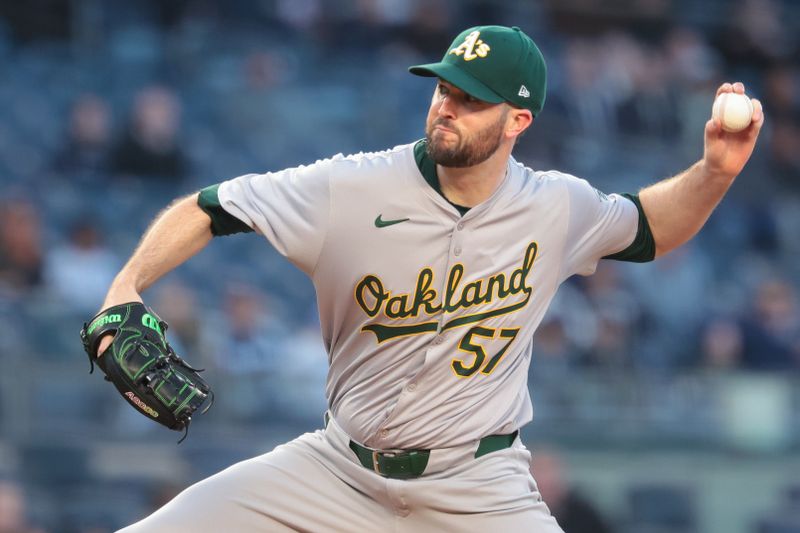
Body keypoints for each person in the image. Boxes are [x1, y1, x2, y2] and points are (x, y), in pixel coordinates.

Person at [93, 25, 763, 532]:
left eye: (471, 99)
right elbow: (209, 209)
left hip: (478, 485)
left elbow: (648, 228)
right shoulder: (350, 187)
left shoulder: (556, 207)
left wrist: (716, 174)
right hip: (337, 471)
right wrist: (127, 285)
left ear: (517, 120)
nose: (447, 106)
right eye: (445, 88)